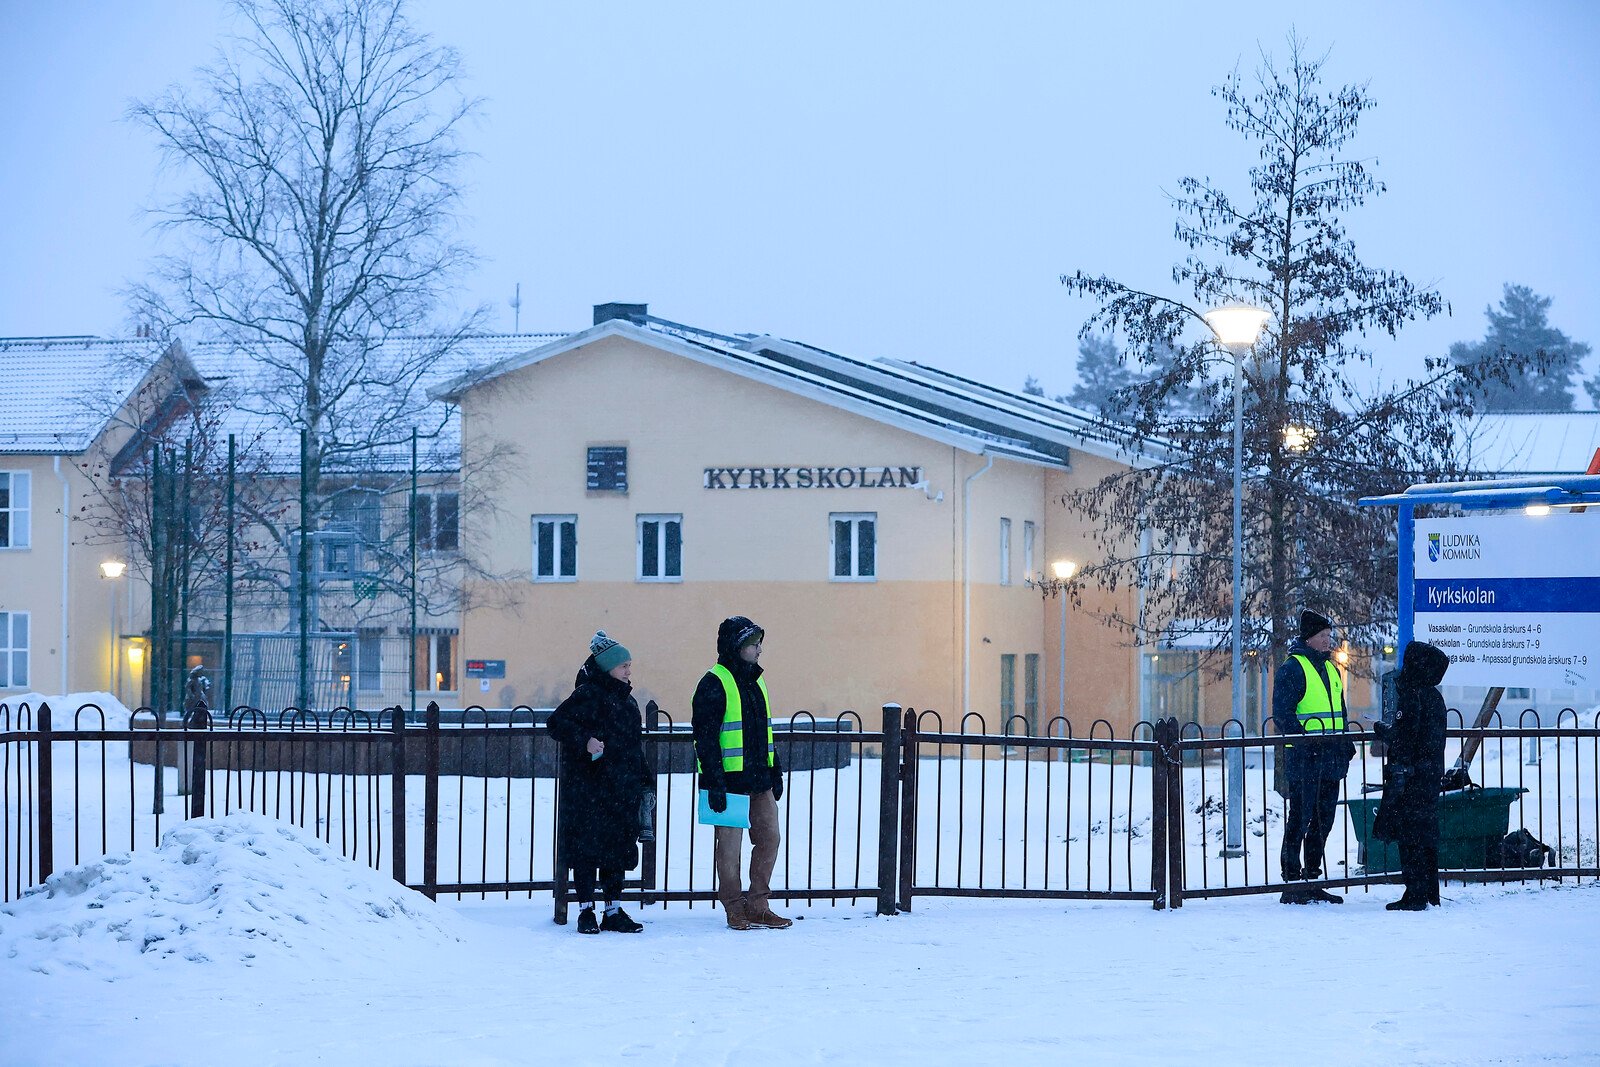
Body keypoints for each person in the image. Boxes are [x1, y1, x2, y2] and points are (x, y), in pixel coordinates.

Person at [546, 631, 653, 934]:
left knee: (616, 849)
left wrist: (643, 777)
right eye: (624, 666)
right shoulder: (588, 694)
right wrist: (586, 740)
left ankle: (613, 910)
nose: (629, 671)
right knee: (586, 849)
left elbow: (633, 745)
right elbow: (556, 724)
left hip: (620, 788)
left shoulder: (628, 702)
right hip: (589, 788)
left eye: (629, 666)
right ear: (608, 668)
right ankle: (585, 910)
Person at [692, 615, 791, 931]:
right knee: (729, 850)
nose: (759, 649)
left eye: (759, 643)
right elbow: (705, 739)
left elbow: (766, 732)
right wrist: (714, 781)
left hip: (759, 778)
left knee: (769, 838)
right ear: (736, 647)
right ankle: (734, 907)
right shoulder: (713, 682)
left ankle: (758, 904)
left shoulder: (757, 680)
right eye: (753, 644)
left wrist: (775, 770)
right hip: (729, 783)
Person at [1272, 610, 1356, 904]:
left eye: (1329, 636)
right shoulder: (1293, 668)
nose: (1328, 641)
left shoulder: (1332, 669)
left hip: (1331, 757)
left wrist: (1345, 742)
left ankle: (1310, 877)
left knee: (1324, 819)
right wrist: (1307, 742)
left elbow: (1340, 711)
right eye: (1323, 636)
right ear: (1310, 638)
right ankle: (1292, 881)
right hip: (1306, 758)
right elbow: (1282, 714)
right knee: (1301, 816)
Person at [1371, 641, 1449, 911]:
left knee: (1410, 836)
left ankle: (1415, 894)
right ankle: (1430, 891)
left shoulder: (1413, 695)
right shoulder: (1434, 696)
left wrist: (1386, 732)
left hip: (1412, 777)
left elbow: (1406, 738)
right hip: (1429, 775)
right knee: (1426, 835)